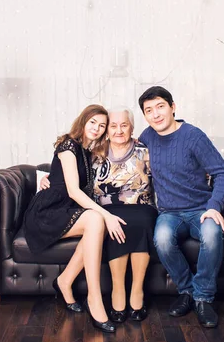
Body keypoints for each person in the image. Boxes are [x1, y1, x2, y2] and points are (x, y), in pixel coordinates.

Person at [41, 107, 157, 323]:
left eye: (124, 125)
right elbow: (69, 174)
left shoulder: (146, 150)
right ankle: (118, 292)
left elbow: (168, 172)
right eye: (113, 126)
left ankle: (137, 292)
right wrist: (46, 176)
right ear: (107, 131)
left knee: (141, 221)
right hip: (106, 208)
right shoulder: (95, 152)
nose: (118, 130)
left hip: (141, 206)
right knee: (110, 224)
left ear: (132, 128)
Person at [22, 104, 125, 333]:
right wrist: (106, 214)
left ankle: (65, 280)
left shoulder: (88, 152)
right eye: (93, 123)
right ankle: (94, 299)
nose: (97, 129)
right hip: (47, 212)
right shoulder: (68, 145)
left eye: (102, 126)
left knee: (94, 224)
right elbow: (73, 191)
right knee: (96, 220)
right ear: (83, 121)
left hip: (66, 209)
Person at [137, 86, 224, 328]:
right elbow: (116, 153)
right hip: (169, 213)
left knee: (212, 235)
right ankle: (187, 291)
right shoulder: (146, 137)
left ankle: (203, 297)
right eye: (149, 110)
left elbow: (223, 173)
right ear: (145, 116)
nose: (156, 114)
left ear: (173, 107)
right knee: (161, 239)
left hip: (201, 209)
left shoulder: (193, 136)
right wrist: (53, 176)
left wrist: (214, 207)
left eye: (160, 106)